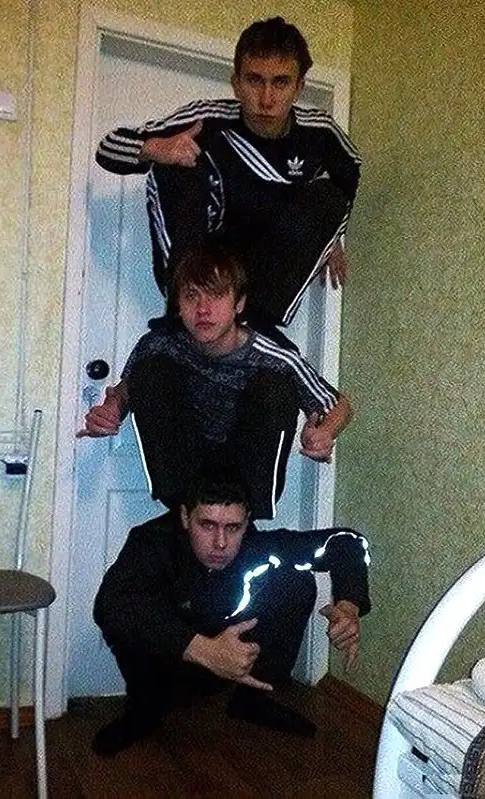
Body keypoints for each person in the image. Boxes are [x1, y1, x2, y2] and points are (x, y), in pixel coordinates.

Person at [95, 16, 361, 338]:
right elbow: (108, 148)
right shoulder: (207, 119)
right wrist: (156, 148)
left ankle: (258, 324)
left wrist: (333, 235)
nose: (266, 98)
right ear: (236, 83)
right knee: (176, 165)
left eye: (280, 82)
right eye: (254, 80)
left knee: (328, 197)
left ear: (299, 87)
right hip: (209, 248)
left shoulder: (321, 133)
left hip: (263, 257)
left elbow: (349, 173)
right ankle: (182, 312)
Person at [91, 470, 371, 756]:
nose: (221, 543)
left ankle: (253, 699)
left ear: (246, 521)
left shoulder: (254, 546)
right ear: (185, 517)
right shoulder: (152, 543)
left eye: (233, 528)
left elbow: (348, 543)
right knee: (129, 616)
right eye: (207, 525)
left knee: (296, 581)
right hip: (167, 663)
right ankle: (143, 712)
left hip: (227, 655)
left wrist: (348, 605)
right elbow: (110, 604)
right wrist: (203, 650)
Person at [78, 245, 352, 519]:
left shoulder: (274, 356)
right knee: (151, 370)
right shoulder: (159, 344)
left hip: (245, 476)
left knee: (275, 387)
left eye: (216, 295)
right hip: (185, 472)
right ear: (179, 305)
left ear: (239, 304)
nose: (203, 309)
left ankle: (242, 513)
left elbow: (340, 405)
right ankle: (185, 511)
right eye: (191, 296)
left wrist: (324, 432)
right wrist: (111, 409)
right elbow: (126, 388)